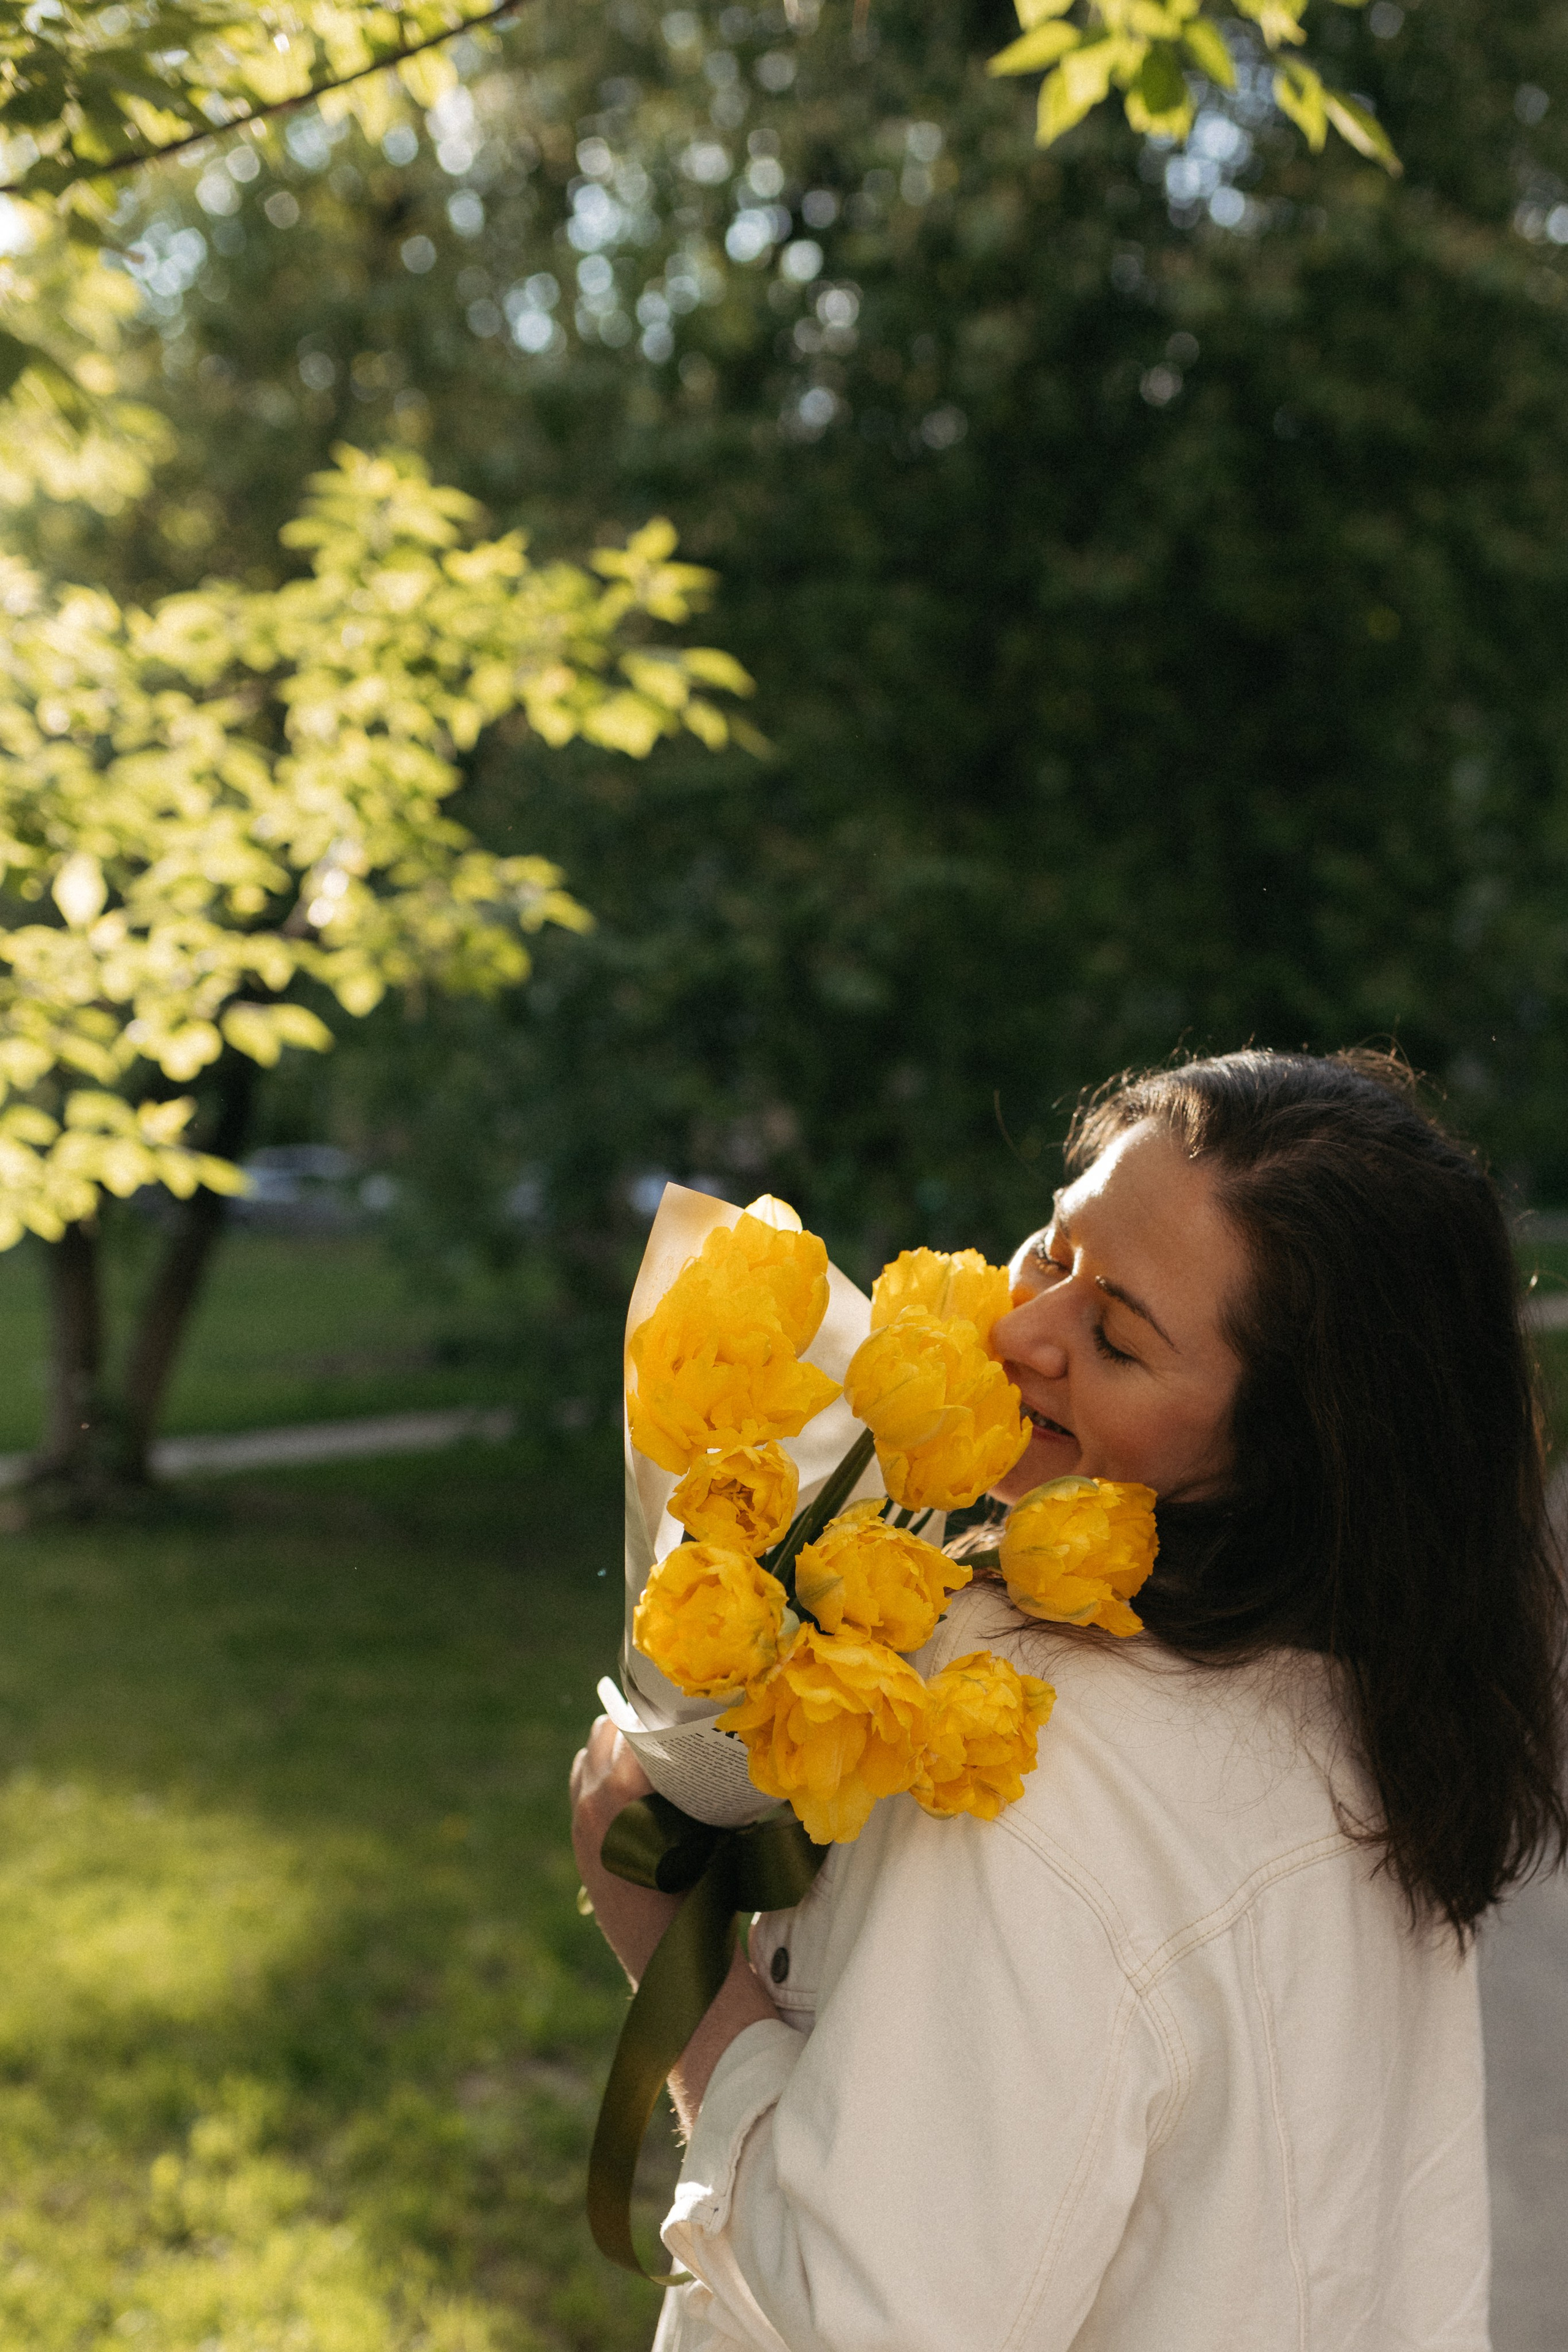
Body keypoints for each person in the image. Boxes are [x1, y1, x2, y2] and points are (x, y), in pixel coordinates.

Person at [571, 1048, 1568, 2351]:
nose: (1020, 1332)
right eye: (1052, 1252)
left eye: (1115, 1338)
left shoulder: (1026, 1738)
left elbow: (869, 2319)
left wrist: (672, 1945)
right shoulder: (1373, 1703)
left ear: (1287, 1449)